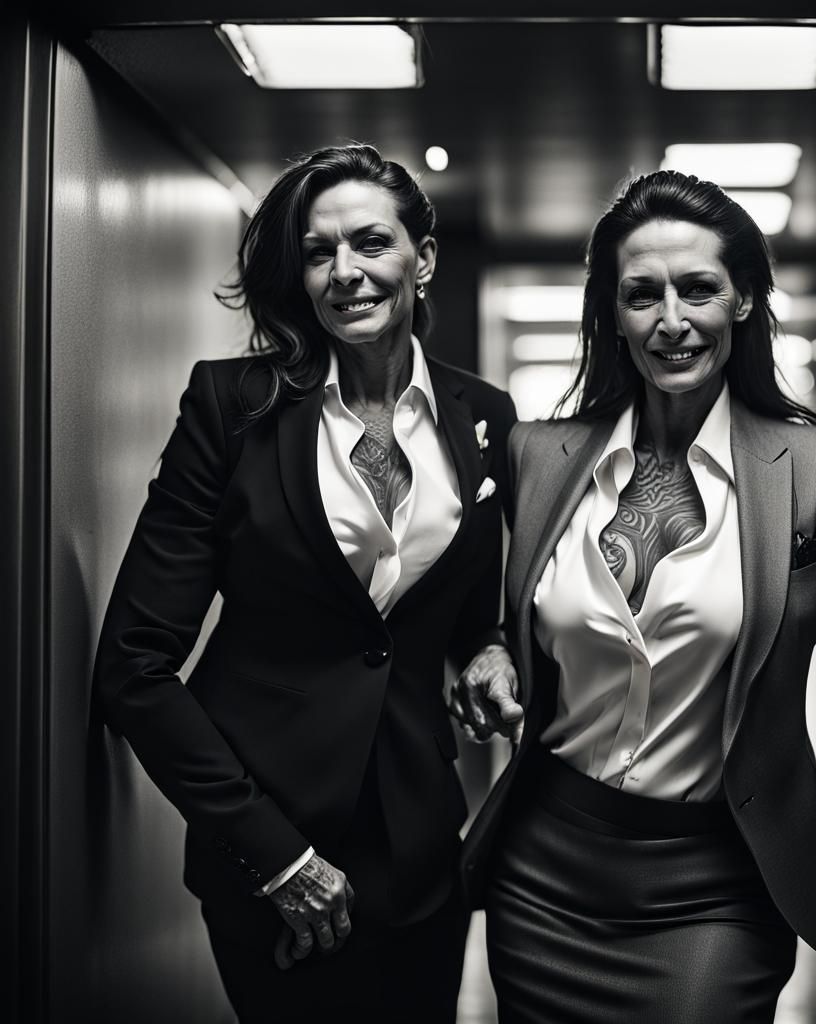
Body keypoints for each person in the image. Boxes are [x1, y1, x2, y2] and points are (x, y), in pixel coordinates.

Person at [450, 170, 816, 1023]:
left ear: (744, 299)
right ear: (612, 313)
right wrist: (492, 648)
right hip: (545, 876)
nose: (671, 320)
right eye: (641, 294)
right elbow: (498, 612)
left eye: (698, 289)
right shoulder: (537, 457)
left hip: (721, 878)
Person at [93, 143, 517, 1023]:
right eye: (319, 252)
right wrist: (276, 858)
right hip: (269, 852)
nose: (344, 272)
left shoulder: (483, 415)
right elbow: (134, 666)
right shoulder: (231, 407)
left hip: (423, 853)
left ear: (423, 260)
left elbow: (468, 612)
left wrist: (491, 648)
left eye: (371, 243)